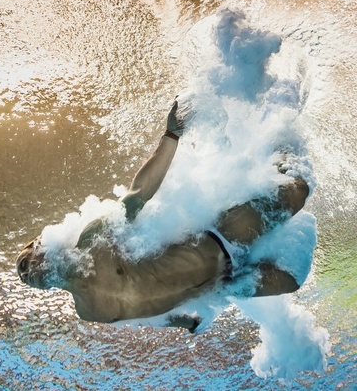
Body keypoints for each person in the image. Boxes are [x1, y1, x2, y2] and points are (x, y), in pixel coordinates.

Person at [16, 97, 310, 332]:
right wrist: (183, 322)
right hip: (228, 282)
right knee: (291, 281)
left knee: (298, 190)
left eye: (25, 262)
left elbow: (138, 194)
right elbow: (139, 314)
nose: (26, 274)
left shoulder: (92, 242)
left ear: (44, 249)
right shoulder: (88, 310)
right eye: (24, 275)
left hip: (223, 241)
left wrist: (171, 134)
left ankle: (279, 112)